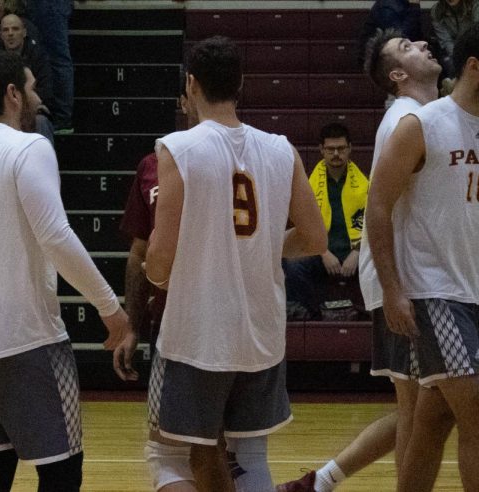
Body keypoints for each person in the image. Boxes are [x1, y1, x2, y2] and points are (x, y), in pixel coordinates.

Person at [0, 50, 133, 492]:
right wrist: (108, 306)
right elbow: (56, 235)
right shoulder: (30, 145)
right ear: (12, 94)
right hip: (23, 337)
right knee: (62, 470)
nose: (39, 98)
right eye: (33, 87)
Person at [367, 23, 479, 492]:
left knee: (434, 423)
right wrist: (391, 288)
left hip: (476, 290)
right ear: (474, 66)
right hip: (432, 291)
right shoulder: (420, 124)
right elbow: (378, 205)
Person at [141, 36, 326, 492]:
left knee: (174, 456)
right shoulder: (282, 148)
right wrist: (261, 247)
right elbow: (315, 237)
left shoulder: (178, 148)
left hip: (199, 334)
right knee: (248, 457)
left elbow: (159, 257)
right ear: (241, 83)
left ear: (191, 85)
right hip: (261, 333)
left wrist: (158, 277)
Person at [279, 28, 452, 492]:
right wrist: (394, 290)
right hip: (403, 280)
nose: (422, 46)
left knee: (424, 407)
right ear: (397, 74)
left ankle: (321, 481)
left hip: (410, 277)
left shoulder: (424, 114)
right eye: (407, 47)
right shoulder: (405, 119)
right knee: (428, 407)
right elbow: (377, 208)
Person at [120, 77, 234, 492]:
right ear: (183, 99)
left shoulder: (243, 154)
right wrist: (133, 326)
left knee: (189, 451)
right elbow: (138, 252)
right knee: (203, 448)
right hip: (172, 322)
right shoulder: (154, 163)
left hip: (220, 318)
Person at [283, 123, 368, 320]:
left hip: (355, 251)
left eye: (341, 148)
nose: (336, 153)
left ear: (350, 149)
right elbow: (303, 226)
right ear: (321, 150)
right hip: (321, 250)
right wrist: (323, 252)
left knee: (381, 259)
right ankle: (312, 314)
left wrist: (357, 251)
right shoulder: (309, 186)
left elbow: (372, 224)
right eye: (330, 149)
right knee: (293, 263)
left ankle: (370, 312)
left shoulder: (365, 184)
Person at [0, 13, 53, 141]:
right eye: (5, 30)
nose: (10, 33)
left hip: (31, 112)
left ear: (24, 32)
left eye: (15, 29)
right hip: (3, 112)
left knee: (41, 121)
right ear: (1, 35)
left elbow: (46, 93)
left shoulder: (39, 56)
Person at [26, 0, 73, 133]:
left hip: (49, 5)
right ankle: (60, 116)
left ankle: (62, 117)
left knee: (58, 59)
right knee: (51, 58)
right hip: (49, 5)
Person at [430, 0, 479, 80]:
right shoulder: (437, 10)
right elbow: (446, 41)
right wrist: (458, 57)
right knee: (451, 64)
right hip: (451, 52)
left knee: (476, 65)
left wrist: (467, 58)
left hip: (474, 50)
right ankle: (455, 88)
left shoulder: (477, 7)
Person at [359, 1, 422, 65]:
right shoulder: (387, 7)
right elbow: (401, 37)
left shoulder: (405, 4)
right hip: (379, 61)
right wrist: (414, 7)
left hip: (395, 56)